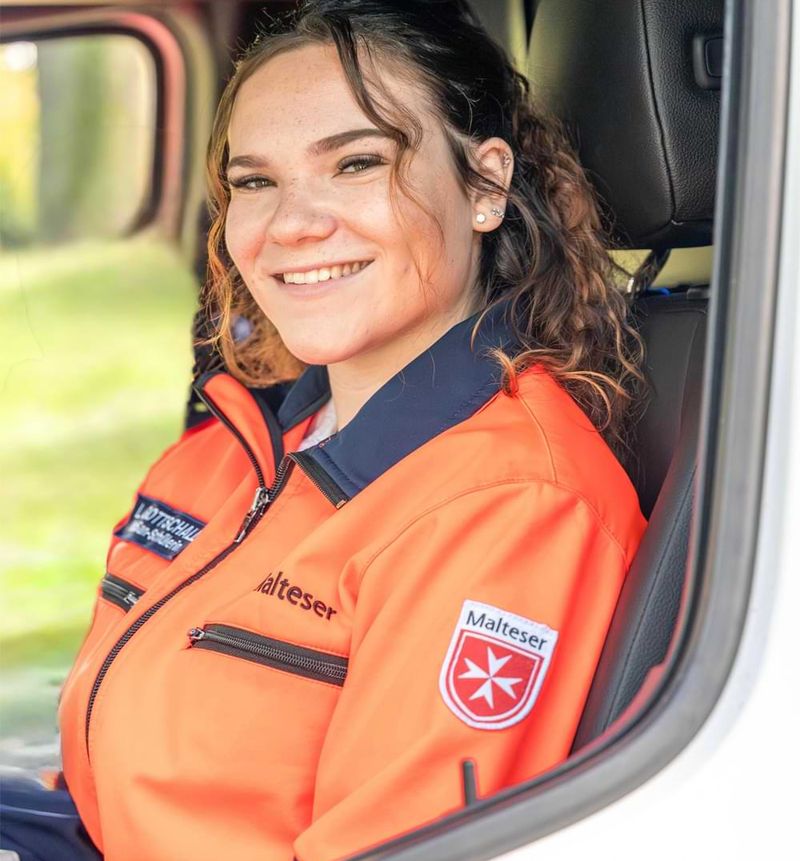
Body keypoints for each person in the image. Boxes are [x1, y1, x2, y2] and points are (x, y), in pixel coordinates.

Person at [48, 1, 646, 858]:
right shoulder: (228, 447)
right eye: (255, 181)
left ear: (485, 186)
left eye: (357, 163)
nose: (291, 224)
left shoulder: (510, 507)